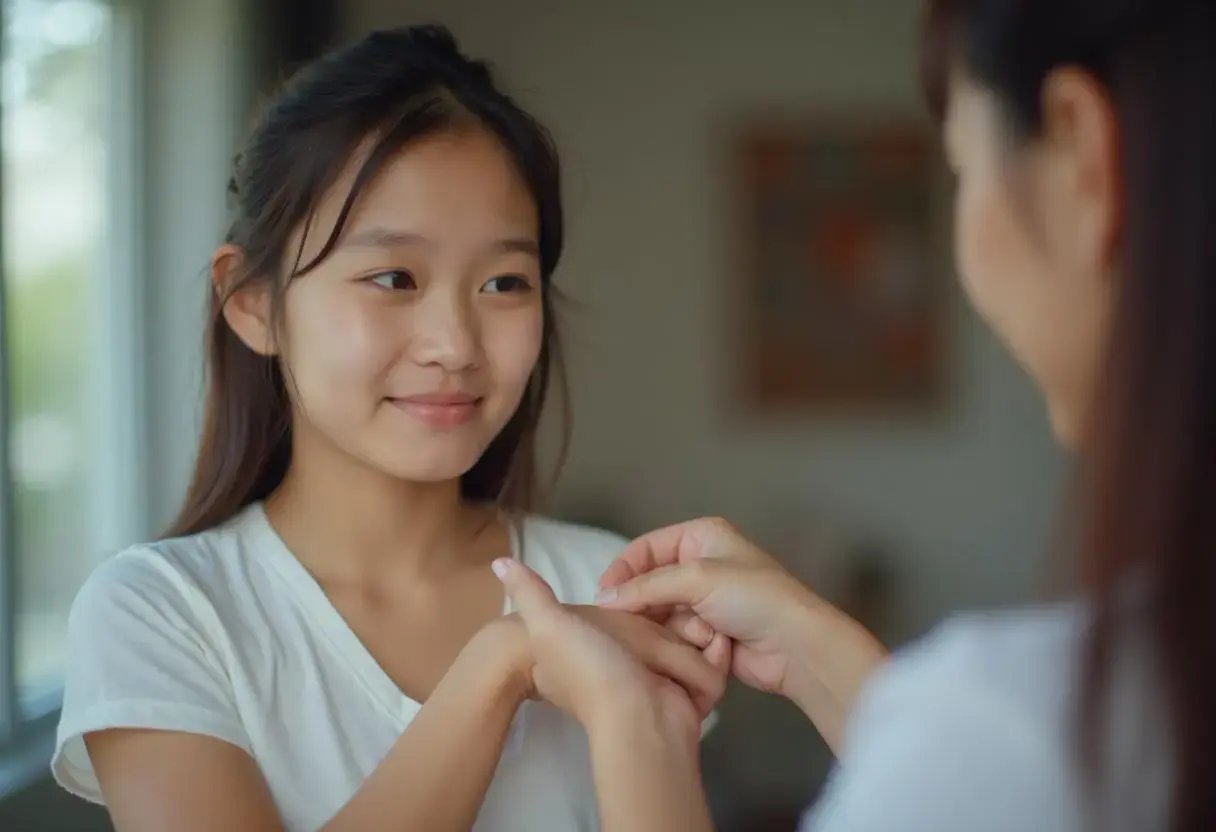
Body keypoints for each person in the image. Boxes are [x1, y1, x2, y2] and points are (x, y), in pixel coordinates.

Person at [495, 1, 1216, 830]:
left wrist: (632, 722)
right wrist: (825, 656)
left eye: (961, 172)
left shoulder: (1041, 723)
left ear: (1081, 150)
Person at [50, 26, 727, 832]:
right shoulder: (162, 615)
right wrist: (500, 664)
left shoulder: (610, 586)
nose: (455, 345)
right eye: (393, 277)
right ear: (254, 302)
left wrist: (630, 715)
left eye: (504, 282)